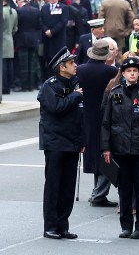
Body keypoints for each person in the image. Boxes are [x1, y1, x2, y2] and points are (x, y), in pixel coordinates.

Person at [101, 56, 139, 239]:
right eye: (129, 71)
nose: (132, 73)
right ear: (124, 73)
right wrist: (106, 147)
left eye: (135, 71)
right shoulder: (115, 92)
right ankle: (126, 225)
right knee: (124, 189)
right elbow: (106, 122)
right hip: (120, 148)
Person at [38, 47, 85, 240]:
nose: (75, 66)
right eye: (72, 63)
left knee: (68, 187)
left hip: (72, 142)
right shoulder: (51, 85)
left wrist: (83, 140)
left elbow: (82, 115)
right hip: (55, 142)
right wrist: (75, 95)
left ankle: (63, 225)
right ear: (61, 67)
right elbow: (57, 107)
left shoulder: (76, 83)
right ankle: (50, 225)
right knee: (54, 186)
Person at [79, 39, 119, 207]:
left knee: (95, 153)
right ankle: (99, 193)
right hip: (105, 118)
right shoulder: (112, 71)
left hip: (85, 118)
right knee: (107, 154)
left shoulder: (79, 70)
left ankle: (97, 191)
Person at [2, 0, 18, 95]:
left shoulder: (1, 11)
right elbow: (15, 28)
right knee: (9, 65)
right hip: (10, 39)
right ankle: (8, 86)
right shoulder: (14, 11)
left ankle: (3, 87)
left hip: (2, 40)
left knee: (3, 66)